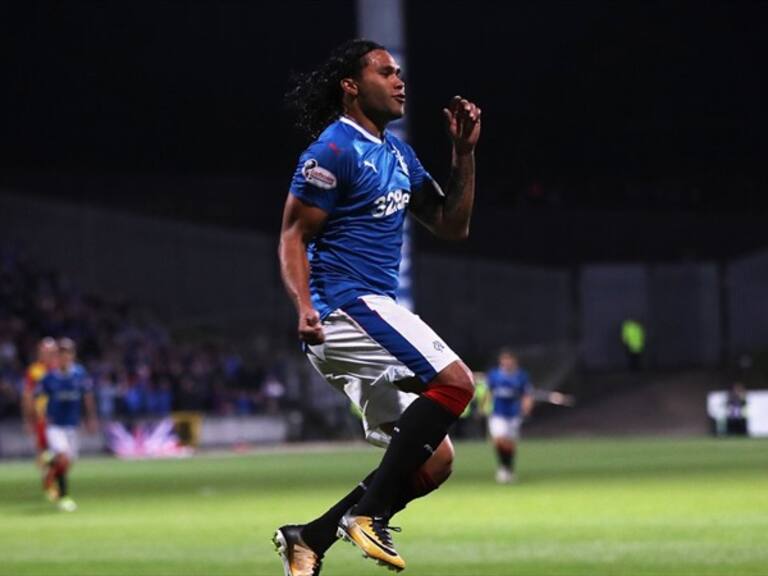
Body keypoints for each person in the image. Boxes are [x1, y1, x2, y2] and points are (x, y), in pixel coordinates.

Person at [275, 39, 481, 574]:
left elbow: (451, 225)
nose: (399, 81)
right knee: (457, 383)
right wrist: (302, 306)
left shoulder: (395, 153)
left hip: (366, 313)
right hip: (341, 306)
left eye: (400, 73)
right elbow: (293, 236)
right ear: (351, 86)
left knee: (434, 461)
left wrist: (463, 154)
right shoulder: (333, 151)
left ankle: (311, 537)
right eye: (386, 72)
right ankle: (365, 516)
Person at [37, 338, 98, 511]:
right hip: (55, 426)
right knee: (63, 457)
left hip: (72, 426)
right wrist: (39, 418)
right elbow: (36, 397)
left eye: (68, 353)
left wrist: (91, 418)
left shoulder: (79, 374)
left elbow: (87, 396)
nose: (65, 356)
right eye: (61, 353)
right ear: (58, 356)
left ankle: (50, 463)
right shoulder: (49, 378)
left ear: (73, 355)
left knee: (68, 462)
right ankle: (64, 497)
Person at [486, 349, 534, 483]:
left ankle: (509, 469)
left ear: (514, 361)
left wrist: (526, 407)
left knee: (510, 444)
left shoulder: (521, 376)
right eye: (504, 359)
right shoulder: (494, 375)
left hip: (513, 413)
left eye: (509, 359)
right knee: (498, 440)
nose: (506, 362)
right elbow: (488, 392)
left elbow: (527, 393)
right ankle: (502, 468)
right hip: (497, 413)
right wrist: (485, 406)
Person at [21, 337, 58, 472]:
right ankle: (50, 484)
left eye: (51, 351)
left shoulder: (61, 369)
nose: (48, 354)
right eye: (44, 351)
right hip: (42, 417)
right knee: (43, 451)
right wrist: (28, 419)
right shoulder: (34, 370)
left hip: (60, 417)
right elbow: (27, 396)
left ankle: (56, 480)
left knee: (60, 453)